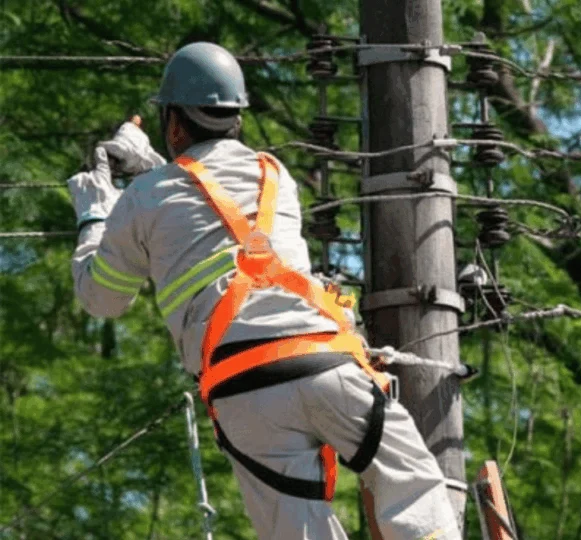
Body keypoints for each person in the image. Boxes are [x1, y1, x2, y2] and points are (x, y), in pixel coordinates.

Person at [66, 41, 459, 540]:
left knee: (297, 530)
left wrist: (96, 213)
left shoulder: (144, 200)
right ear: (237, 117)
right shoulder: (276, 174)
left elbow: (102, 297)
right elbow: (208, 196)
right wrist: (153, 168)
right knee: (415, 489)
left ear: (172, 123)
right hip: (323, 363)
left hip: (245, 395)